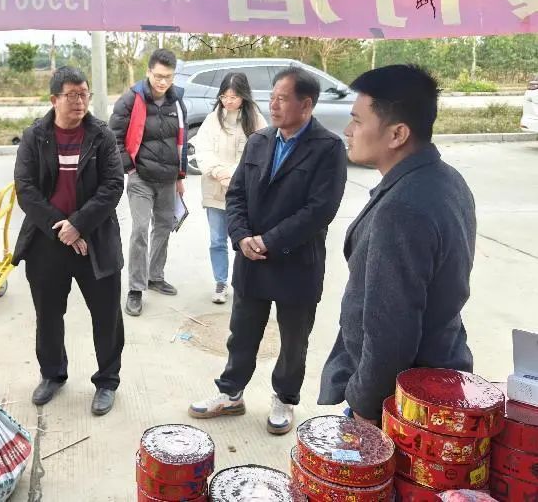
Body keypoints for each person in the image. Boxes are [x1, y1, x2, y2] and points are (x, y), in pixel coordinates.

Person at [189, 66, 347, 435]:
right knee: (242, 332)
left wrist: (269, 240)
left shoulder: (328, 148)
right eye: (272, 97)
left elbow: (320, 210)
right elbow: (237, 194)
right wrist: (242, 236)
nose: (273, 105)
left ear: (306, 104)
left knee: (293, 340)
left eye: (282, 98)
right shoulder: (259, 140)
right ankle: (231, 393)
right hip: (251, 259)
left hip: (297, 262)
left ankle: (284, 398)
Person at [319, 65, 475, 424]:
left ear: (397, 134)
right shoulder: (445, 179)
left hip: (401, 403)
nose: (348, 131)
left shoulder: (402, 208)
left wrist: (367, 407)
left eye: (357, 121)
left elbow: (391, 332)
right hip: (437, 378)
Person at [12, 66, 125, 416]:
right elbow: (25, 189)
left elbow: (113, 186)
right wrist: (61, 228)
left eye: (84, 94)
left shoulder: (101, 136)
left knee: (106, 316)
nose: (80, 101)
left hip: (95, 240)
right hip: (47, 242)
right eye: (72, 95)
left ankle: (107, 381)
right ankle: (52, 374)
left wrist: (78, 225)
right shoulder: (35, 136)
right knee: (48, 315)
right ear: (54, 99)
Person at [109, 49, 188, 317]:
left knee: (164, 227)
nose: (162, 82)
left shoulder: (177, 101)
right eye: (158, 76)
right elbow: (114, 138)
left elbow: (182, 140)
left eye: (168, 77)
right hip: (141, 178)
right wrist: (130, 168)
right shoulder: (132, 99)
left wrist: (180, 176)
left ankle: (155, 276)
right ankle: (135, 287)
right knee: (140, 230)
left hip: (168, 180)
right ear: (148, 72)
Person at [194, 72, 266, 304]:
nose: (228, 101)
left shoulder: (256, 120)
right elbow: (202, 150)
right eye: (224, 97)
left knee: (244, 238)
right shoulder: (212, 119)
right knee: (217, 240)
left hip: (243, 192)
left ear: (243, 96)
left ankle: (245, 282)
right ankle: (221, 282)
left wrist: (234, 175)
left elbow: (260, 153)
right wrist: (217, 171)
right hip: (215, 189)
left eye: (233, 97)